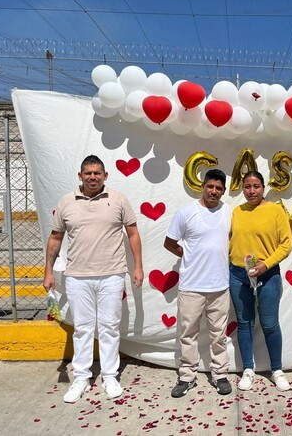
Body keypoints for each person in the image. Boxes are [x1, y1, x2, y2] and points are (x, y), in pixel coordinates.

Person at [43, 155, 144, 403]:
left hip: (112, 274)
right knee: (83, 329)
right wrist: (48, 271)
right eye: (88, 173)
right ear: (80, 176)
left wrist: (138, 266)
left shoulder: (118, 199)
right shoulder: (66, 201)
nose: (92, 177)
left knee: (109, 327)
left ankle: (110, 376)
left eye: (97, 173)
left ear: (105, 175)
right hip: (78, 276)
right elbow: (55, 238)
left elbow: (133, 234)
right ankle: (81, 378)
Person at [164, 169, 233, 397]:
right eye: (210, 186)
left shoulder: (228, 212)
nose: (214, 191)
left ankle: (220, 374)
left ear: (223, 191)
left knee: (218, 335)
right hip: (191, 286)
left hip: (220, 286)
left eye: (219, 188)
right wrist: (187, 254)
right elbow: (169, 242)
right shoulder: (186, 213)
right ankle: (187, 377)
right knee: (188, 334)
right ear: (202, 186)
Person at [229, 170, 292, 392]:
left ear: (263, 187)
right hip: (239, 275)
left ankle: (277, 370)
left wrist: (266, 264)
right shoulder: (236, 211)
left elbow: (286, 243)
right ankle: (248, 369)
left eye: (256, 186)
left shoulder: (275, 211)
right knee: (244, 323)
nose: (251, 191)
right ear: (243, 188)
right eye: (247, 186)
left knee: (269, 324)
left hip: (267, 274)